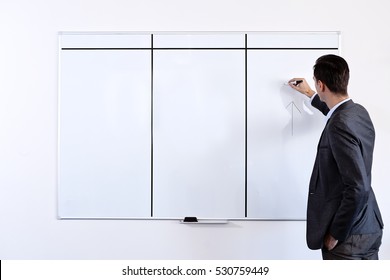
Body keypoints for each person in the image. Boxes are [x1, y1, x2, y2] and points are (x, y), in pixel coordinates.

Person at [289, 54, 384, 260]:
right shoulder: (358, 112)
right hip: (368, 227)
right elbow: (336, 112)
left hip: (348, 237)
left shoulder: (339, 125)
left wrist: (335, 233)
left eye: (316, 83)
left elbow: (358, 186)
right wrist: (310, 93)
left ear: (321, 84)